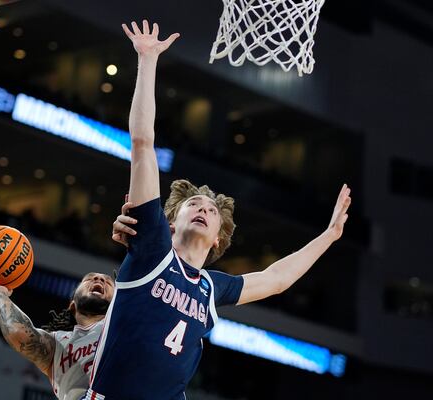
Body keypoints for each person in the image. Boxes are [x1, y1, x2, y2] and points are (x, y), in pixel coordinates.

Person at [85, 20, 352, 400]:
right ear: (170, 222)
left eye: (211, 210)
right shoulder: (153, 249)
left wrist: (329, 236)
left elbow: (277, 278)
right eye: (192, 204)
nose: (202, 209)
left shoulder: (213, 287)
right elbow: (143, 144)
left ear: (218, 239)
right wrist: (147, 61)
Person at [0, 268, 114, 400]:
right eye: (89, 278)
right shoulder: (58, 344)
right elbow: (17, 332)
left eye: (108, 282)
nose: (99, 279)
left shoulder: (123, 327)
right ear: (72, 306)